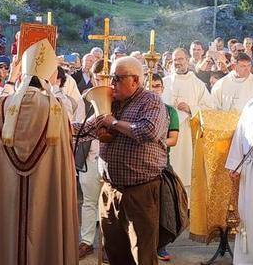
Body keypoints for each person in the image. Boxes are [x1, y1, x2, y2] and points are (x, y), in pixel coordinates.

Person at [0, 39, 80, 265]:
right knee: (44, 226)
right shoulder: (56, 108)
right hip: (45, 188)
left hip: (6, 189)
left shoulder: (1, 105)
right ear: (48, 76)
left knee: (7, 228)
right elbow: (64, 156)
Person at [78, 57, 169, 265]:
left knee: (142, 254)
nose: (112, 84)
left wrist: (114, 122)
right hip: (111, 191)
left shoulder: (151, 101)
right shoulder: (113, 103)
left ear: (135, 81)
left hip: (140, 191)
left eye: (117, 79)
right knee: (115, 250)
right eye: (112, 78)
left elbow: (149, 130)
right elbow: (83, 130)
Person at [161, 48, 211, 200]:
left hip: (189, 134)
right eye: (175, 60)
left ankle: (186, 211)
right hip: (167, 134)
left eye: (181, 59)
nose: (177, 63)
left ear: (188, 60)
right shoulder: (165, 83)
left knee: (186, 172)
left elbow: (210, 108)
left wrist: (191, 108)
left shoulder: (198, 84)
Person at [76, 59, 110, 259]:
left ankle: (109, 244)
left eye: (106, 78)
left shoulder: (118, 98)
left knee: (110, 203)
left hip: (111, 159)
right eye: (99, 78)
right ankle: (87, 241)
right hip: (90, 156)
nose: (102, 83)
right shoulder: (87, 98)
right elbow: (79, 127)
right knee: (89, 201)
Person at [226, 95, 253, 265]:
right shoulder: (252, 102)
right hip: (251, 170)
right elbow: (240, 134)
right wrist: (235, 165)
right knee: (249, 221)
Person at [149, 73, 178, 263]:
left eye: (157, 86)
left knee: (161, 208)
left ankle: (160, 245)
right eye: (151, 85)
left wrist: (153, 141)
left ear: (162, 88)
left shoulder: (170, 111)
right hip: (140, 166)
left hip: (161, 165)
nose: (154, 89)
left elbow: (173, 140)